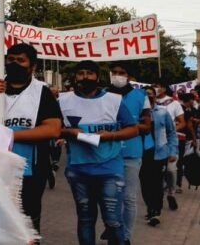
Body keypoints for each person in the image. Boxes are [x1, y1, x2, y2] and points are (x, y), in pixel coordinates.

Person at [0, 43, 62, 234]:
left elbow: (53, 129)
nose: (14, 63)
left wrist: (8, 136)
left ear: (32, 66)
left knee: (26, 222)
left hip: (30, 171)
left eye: (21, 60)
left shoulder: (42, 92)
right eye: (11, 59)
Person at [58, 60, 139, 245]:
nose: (85, 77)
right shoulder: (63, 101)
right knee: (85, 219)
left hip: (110, 169)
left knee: (112, 219)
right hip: (79, 169)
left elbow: (133, 129)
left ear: (97, 77)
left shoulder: (113, 100)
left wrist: (110, 136)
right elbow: (54, 128)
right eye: (81, 73)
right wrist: (68, 132)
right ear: (75, 77)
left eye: (89, 73)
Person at [105, 62, 152, 245]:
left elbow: (147, 127)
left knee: (129, 198)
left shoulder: (141, 96)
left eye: (121, 72)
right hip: (107, 153)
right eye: (114, 72)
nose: (117, 75)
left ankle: (125, 237)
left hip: (132, 154)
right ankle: (113, 230)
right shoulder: (103, 95)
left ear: (129, 76)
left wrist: (126, 127)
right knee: (109, 198)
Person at [140, 86, 178, 227]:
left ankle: (156, 211)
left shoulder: (162, 113)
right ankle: (150, 207)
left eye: (150, 94)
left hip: (159, 154)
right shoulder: (137, 115)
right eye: (145, 95)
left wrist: (173, 151)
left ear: (155, 97)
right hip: (141, 154)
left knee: (156, 184)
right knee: (145, 184)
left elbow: (171, 133)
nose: (148, 97)